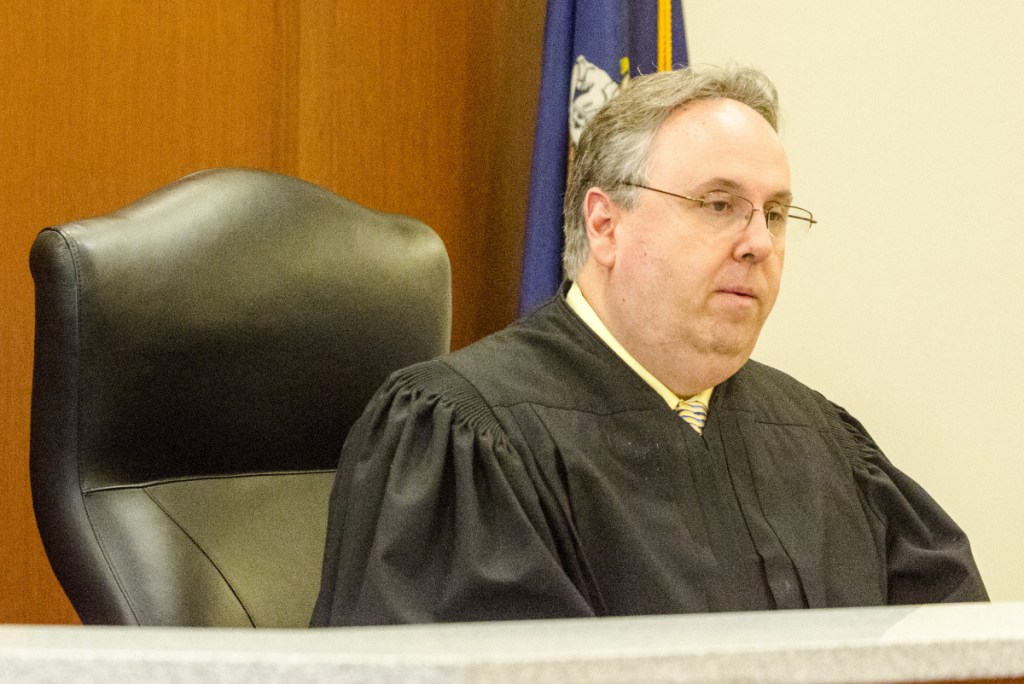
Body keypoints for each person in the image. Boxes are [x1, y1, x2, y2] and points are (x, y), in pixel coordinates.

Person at [311, 64, 987, 626]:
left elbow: (965, 657)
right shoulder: (466, 440)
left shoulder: (827, 447)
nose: (757, 242)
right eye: (719, 204)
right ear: (605, 225)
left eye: (775, 214)